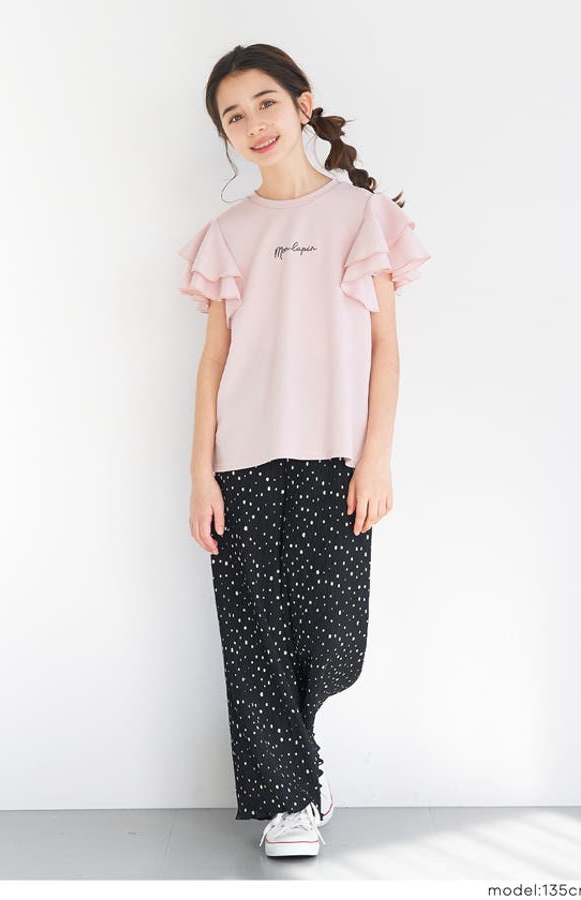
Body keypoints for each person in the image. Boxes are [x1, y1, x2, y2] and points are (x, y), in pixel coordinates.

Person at [180, 43, 431, 858]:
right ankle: (292, 800)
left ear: (301, 104)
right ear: (225, 134)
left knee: (332, 640)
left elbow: (386, 347)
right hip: (242, 462)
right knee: (254, 635)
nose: (253, 124)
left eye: (265, 103)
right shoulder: (227, 234)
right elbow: (213, 362)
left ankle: (300, 765)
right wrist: (200, 476)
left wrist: (376, 457)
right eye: (234, 115)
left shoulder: (361, 216)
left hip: (335, 459)